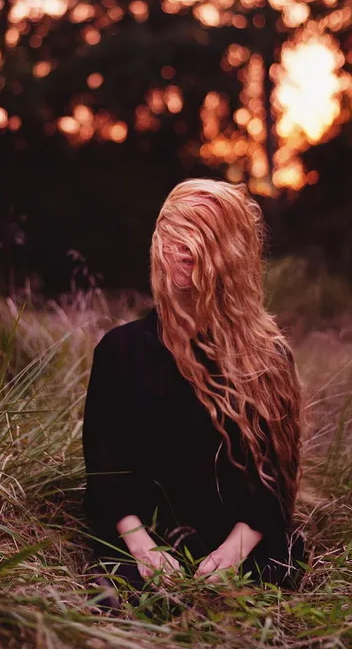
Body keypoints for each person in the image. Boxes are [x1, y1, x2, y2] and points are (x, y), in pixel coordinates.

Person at [81, 178, 306, 605]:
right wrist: (144, 550)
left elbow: (274, 484)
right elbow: (105, 474)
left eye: (201, 238)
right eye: (175, 235)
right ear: (157, 243)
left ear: (232, 253)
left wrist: (229, 557)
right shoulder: (120, 351)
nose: (184, 250)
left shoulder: (267, 356)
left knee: (267, 581)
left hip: (246, 548)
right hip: (139, 543)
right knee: (122, 592)